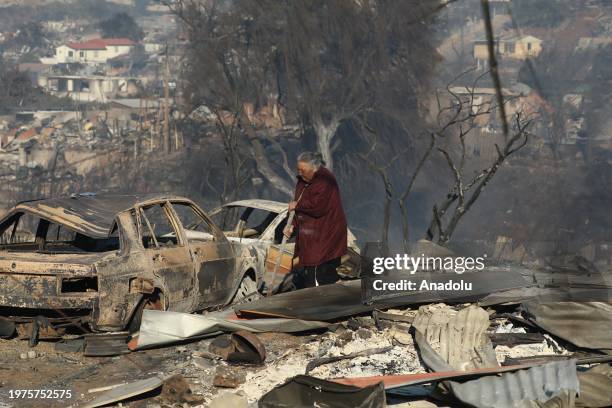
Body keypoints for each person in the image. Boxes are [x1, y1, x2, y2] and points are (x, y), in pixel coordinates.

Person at [284, 152, 347, 288]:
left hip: (324, 235)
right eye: (298, 170)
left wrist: (297, 205)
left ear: (314, 168)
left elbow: (318, 207)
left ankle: (320, 302)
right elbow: (298, 205)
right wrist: (292, 226)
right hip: (310, 237)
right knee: (311, 271)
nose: (300, 173)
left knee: (319, 272)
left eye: (303, 170)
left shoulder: (325, 181)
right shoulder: (303, 181)